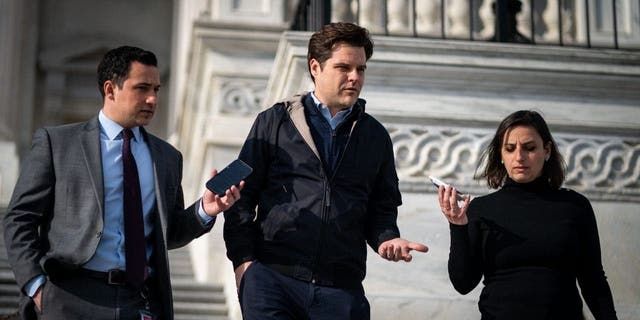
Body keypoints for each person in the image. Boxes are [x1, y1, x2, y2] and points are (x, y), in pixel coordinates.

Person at [3, 46, 243, 320]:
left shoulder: (167, 157)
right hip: (68, 297)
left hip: (137, 300)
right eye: (142, 88)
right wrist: (36, 286)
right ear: (110, 89)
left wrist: (204, 211)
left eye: (156, 89)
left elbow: (169, 233)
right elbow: (19, 219)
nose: (152, 99)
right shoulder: (57, 143)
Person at [223, 22, 429, 320]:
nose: (354, 77)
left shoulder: (375, 136)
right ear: (315, 67)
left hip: (342, 291)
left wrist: (387, 238)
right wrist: (244, 264)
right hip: (272, 281)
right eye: (344, 67)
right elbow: (240, 196)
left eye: (361, 69)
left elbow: (382, 207)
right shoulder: (274, 122)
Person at [438, 110, 617, 319]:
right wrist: (457, 226)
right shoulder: (482, 209)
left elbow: (593, 280)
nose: (519, 157)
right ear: (501, 155)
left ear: (547, 150)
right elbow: (463, 283)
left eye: (529, 148)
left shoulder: (574, 206)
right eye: (510, 149)